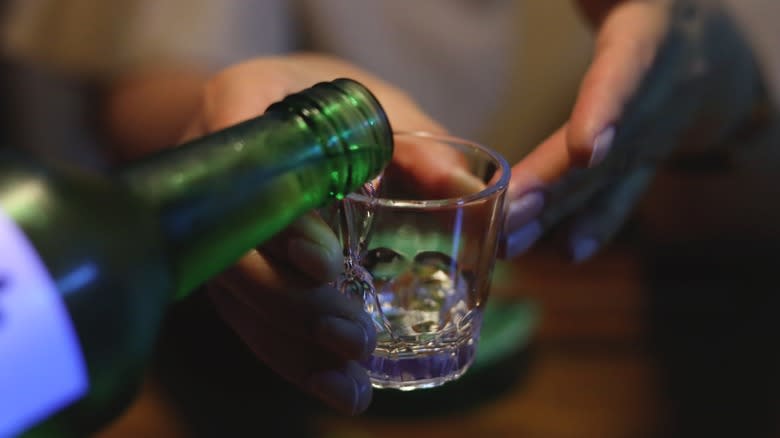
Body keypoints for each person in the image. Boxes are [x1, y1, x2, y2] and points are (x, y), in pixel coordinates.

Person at [1, 0, 778, 425]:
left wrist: (732, 102)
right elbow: (151, 75)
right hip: (248, 377)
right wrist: (264, 135)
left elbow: (735, 216)